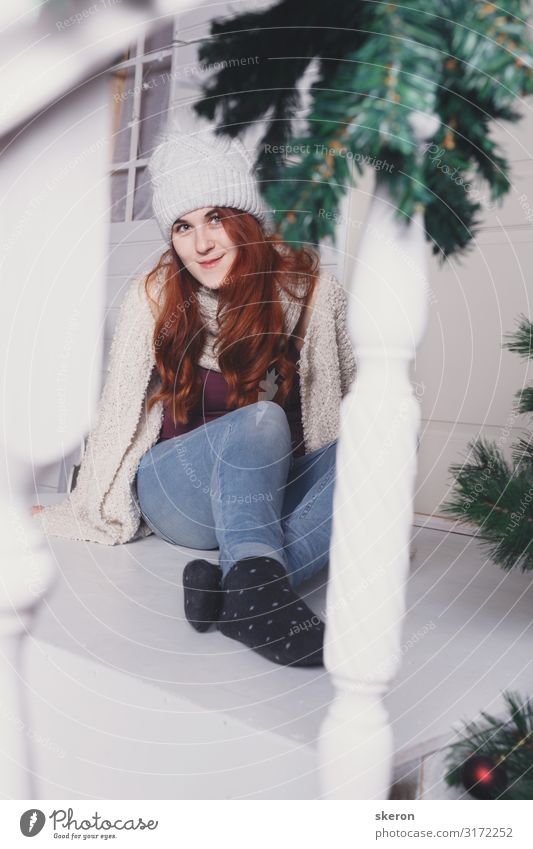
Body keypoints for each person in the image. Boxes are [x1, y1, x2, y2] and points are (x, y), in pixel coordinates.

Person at [33, 128, 356, 669]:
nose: (200, 243)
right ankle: (255, 579)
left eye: (215, 218)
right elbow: (118, 415)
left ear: (246, 220)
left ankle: (245, 587)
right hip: (176, 490)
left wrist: (357, 509)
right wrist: (85, 504)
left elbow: (336, 414)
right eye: (183, 227)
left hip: (262, 493)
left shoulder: (305, 294)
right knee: (261, 420)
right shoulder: (156, 294)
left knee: (387, 437)